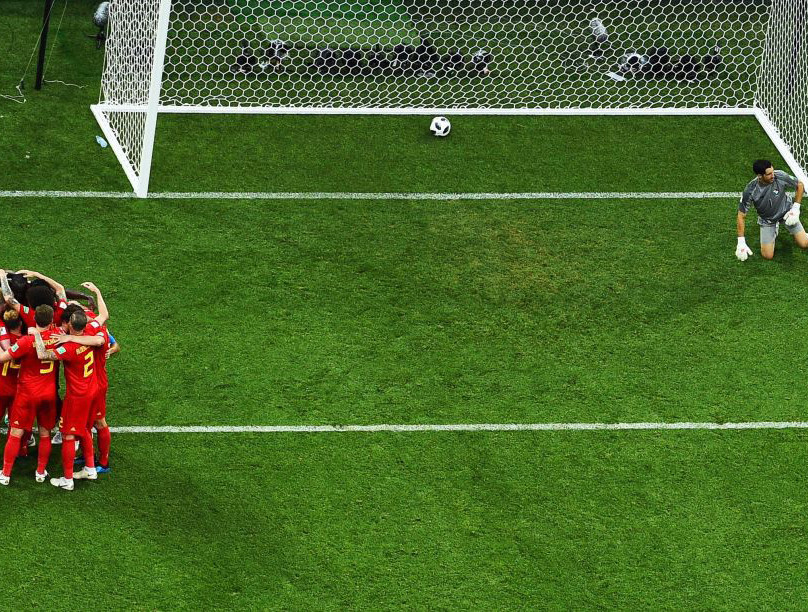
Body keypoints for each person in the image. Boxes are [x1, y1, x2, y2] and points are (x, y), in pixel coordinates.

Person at [33, 310, 104, 490]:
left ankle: (67, 480)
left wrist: (36, 335)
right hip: (92, 390)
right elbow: (102, 325)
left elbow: (43, 355)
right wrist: (70, 337)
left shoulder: (69, 348)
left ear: (70, 325)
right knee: (85, 428)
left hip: (77, 396)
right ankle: (90, 469)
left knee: (67, 434)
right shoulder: (89, 334)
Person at [0, 305, 60, 485]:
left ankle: (6, 474)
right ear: (51, 321)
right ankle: (40, 472)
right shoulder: (59, 337)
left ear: (34, 320)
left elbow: (3, 358)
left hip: (27, 393)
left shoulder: (26, 341)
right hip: (48, 394)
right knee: (45, 434)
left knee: (15, 433)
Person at [736, 159, 806, 261]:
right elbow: (741, 215)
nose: (773, 175)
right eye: (769, 174)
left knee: (804, 244)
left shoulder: (779, 175)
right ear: (760, 176)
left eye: (773, 171)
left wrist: (795, 209)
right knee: (767, 255)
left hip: (787, 213)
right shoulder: (750, 190)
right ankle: (775, 227)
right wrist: (741, 241)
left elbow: (800, 185)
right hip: (767, 220)